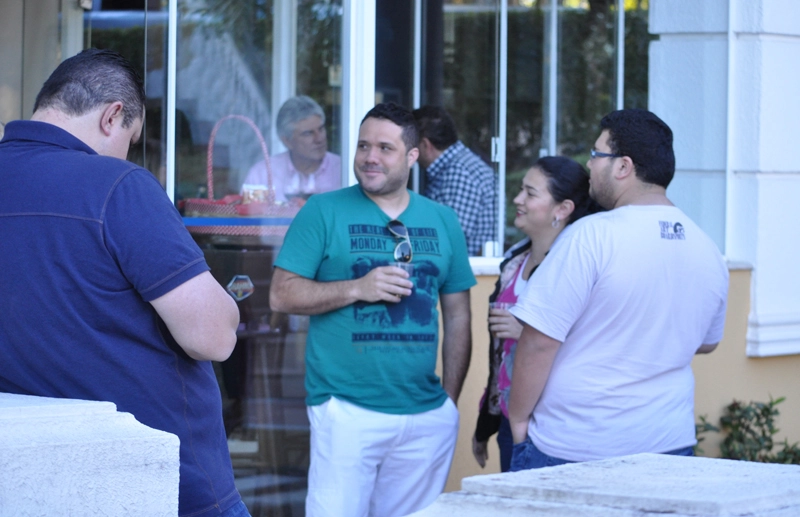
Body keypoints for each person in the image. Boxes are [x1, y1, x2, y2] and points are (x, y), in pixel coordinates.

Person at [0, 49, 248, 517]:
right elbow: (213, 337)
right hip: (158, 484)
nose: (128, 153)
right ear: (113, 116)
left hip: (27, 486)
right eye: (132, 139)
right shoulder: (116, 184)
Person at [269, 102, 476, 517]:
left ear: (412, 156)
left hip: (426, 415)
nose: (370, 157)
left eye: (385, 148)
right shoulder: (323, 211)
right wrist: (357, 288)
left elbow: (458, 315)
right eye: (363, 146)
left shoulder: (441, 219)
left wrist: (448, 405)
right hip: (346, 408)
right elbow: (282, 295)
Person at [507, 109, 729, 471]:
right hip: (669, 445)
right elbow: (707, 341)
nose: (589, 165)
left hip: (576, 447)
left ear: (623, 167)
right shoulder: (707, 248)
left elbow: (539, 340)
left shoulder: (590, 235)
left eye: (596, 155)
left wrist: (518, 420)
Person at [472, 156, 600, 473]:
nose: (518, 199)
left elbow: (599, 343)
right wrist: (485, 420)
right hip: (508, 418)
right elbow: (499, 358)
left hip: (554, 425)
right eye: (521, 190)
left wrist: (529, 333)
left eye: (530, 193)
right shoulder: (514, 262)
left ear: (562, 209)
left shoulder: (579, 265)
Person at [413, 105, 496, 256]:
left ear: (425, 145)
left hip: (465, 273)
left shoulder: (458, 173)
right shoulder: (459, 165)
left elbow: (447, 239)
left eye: (412, 146)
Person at [243, 95, 341, 203]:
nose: (319, 139)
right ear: (287, 141)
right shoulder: (262, 174)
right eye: (308, 133)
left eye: (321, 129)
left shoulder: (342, 170)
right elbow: (246, 217)